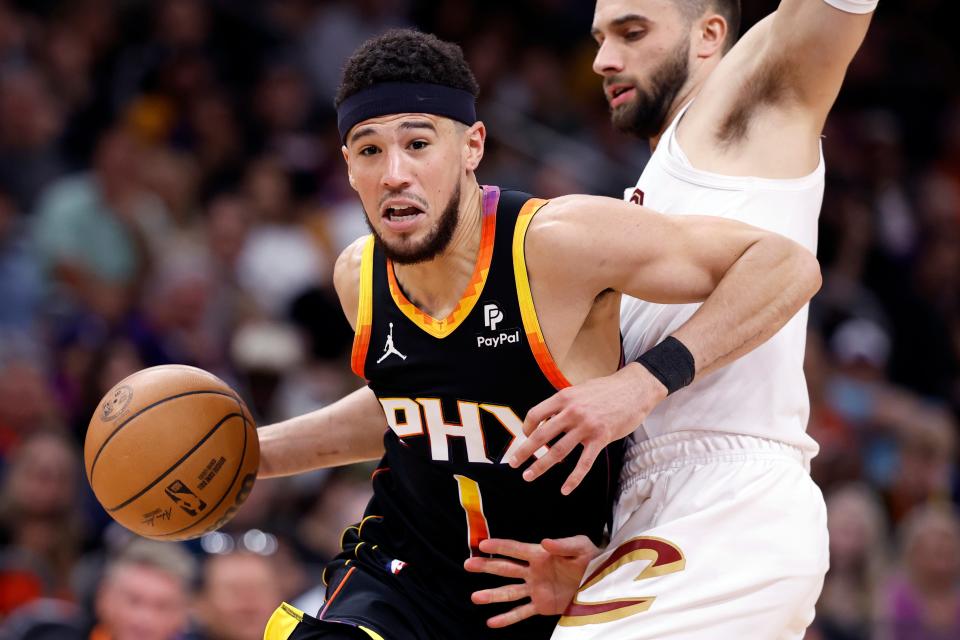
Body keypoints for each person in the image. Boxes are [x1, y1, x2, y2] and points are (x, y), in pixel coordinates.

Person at [258, 29, 820, 640]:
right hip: (397, 581)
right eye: (369, 151)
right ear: (348, 167)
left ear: (472, 145)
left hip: (539, 600)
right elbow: (405, 410)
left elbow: (786, 266)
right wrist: (247, 459)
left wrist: (643, 382)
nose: (395, 173)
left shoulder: (556, 242)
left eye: (418, 143)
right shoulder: (356, 276)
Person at [464, 1, 877, 638]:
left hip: (733, 505)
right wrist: (606, 553)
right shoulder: (646, 201)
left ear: (711, 34)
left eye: (632, 33)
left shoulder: (742, 111)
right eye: (600, 38)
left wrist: (641, 381)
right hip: (653, 522)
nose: (603, 59)